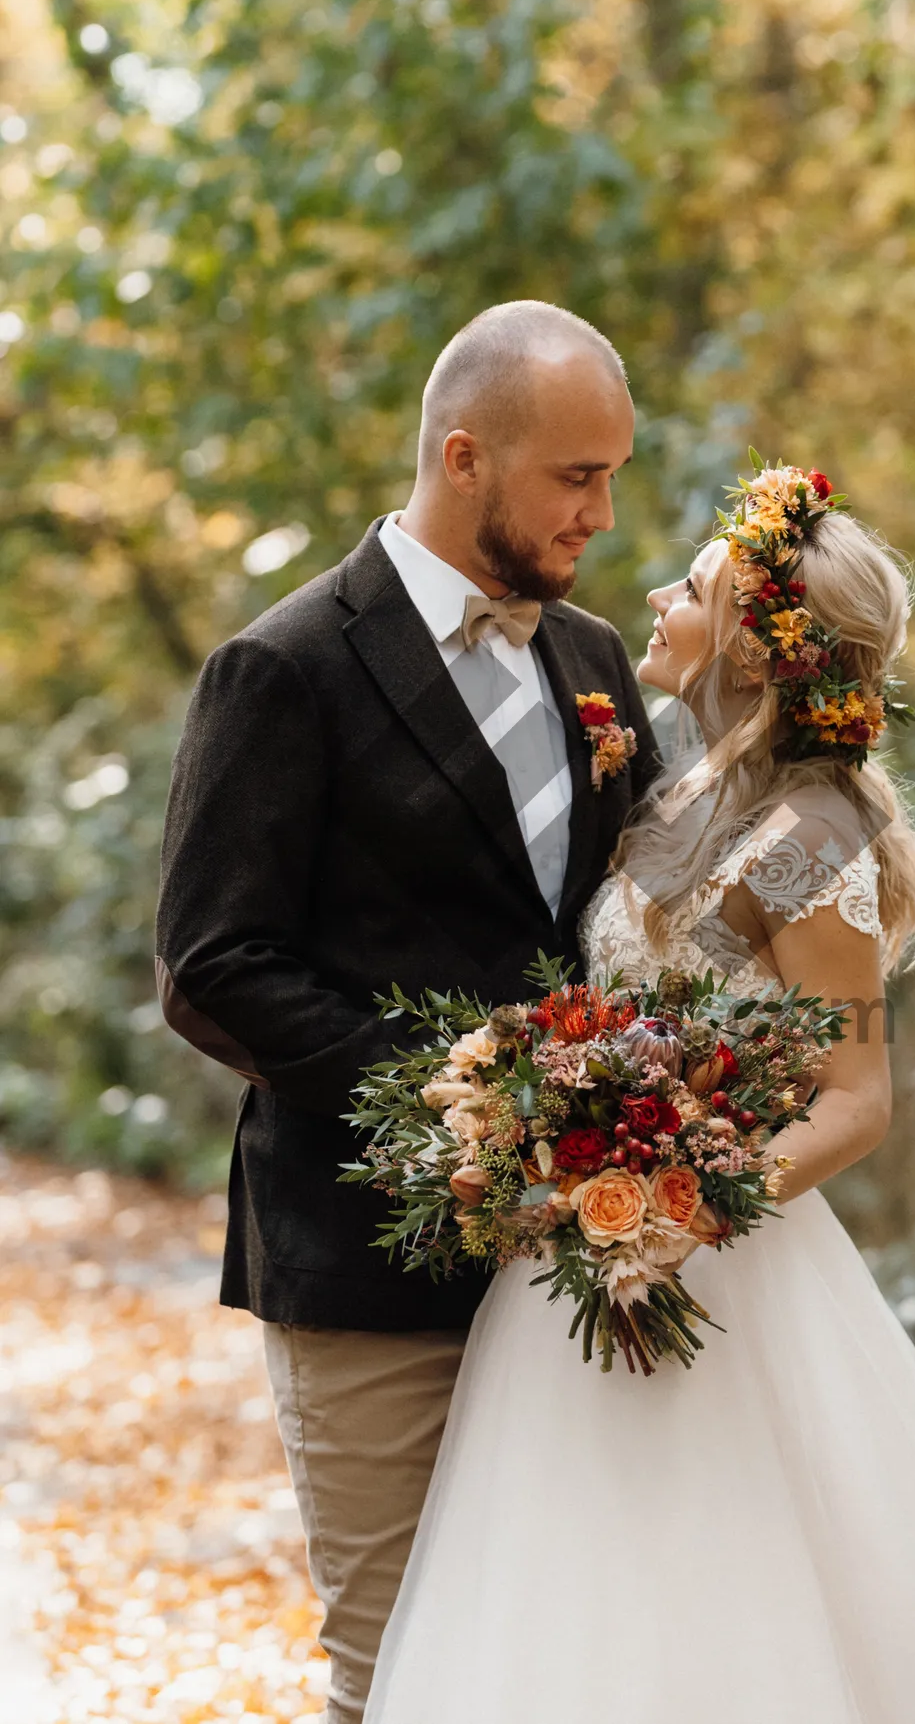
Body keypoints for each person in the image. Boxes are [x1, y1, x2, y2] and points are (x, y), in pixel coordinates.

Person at [362, 472, 915, 1724]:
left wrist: (680, 1215)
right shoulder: (685, 790)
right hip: (587, 1258)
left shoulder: (811, 838)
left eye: (699, 588)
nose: (659, 595)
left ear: (764, 652)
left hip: (713, 1264)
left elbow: (857, 1096)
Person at [155, 300, 659, 1724]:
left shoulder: (599, 663)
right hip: (368, 1256)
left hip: (584, 1261)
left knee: (564, 1660)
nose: (603, 513)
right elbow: (210, 960)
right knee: (403, 1672)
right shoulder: (285, 669)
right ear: (463, 458)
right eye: (577, 477)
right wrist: (466, 1098)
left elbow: (625, 922)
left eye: (612, 475)